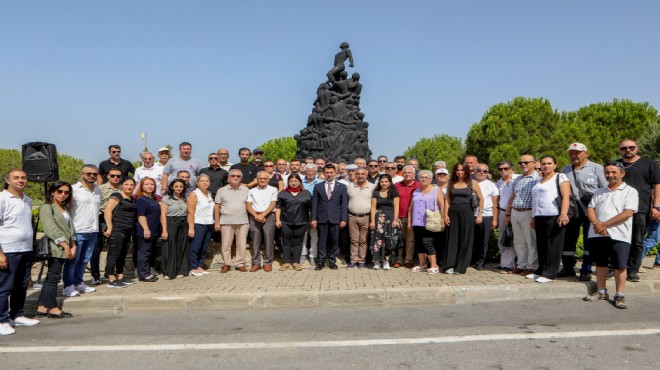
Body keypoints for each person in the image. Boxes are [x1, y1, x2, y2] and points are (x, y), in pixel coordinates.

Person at [584, 162, 638, 309]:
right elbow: (591, 209)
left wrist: (604, 225)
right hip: (597, 235)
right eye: (607, 172)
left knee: (620, 266)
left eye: (613, 172)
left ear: (622, 173)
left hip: (619, 235)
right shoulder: (599, 191)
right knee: (600, 264)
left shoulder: (630, 191)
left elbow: (628, 212)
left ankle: (619, 295)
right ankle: (601, 291)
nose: (610, 175)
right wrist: (597, 224)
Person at [0, 169, 40, 335]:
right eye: (16, 178)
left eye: (23, 177)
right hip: (8, 250)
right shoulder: (2, 198)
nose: (20, 180)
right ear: (8, 180)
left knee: (21, 286)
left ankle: (17, 315)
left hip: (25, 250)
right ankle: (2, 321)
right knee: (4, 288)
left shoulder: (28, 200)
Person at [560, 142, 607, 280]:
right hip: (572, 211)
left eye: (577, 152)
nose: (574, 155)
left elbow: (605, 190)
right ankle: (568, 267)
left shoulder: (597, 168)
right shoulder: (565, 170)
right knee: (568, 240)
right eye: (571, 153)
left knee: (589, 240)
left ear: (585, 153)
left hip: (591, 210)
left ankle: (586, 269)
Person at [615, 139, 660, 282]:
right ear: (620, 150)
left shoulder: (649, 163)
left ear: (636, 148)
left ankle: (633, 270)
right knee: (616, 238)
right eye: (624, 148)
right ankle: (616, 266)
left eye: (631, 147)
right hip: (618, 208)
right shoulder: (615, 164)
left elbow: (657, 185)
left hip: (641, 208)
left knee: (637, 240)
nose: (628, 150)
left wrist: (656, 206)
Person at [36, 182, 76, 318]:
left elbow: (71, 228)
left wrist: (73, 244)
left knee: (50, 277)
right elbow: (49, 227)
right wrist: (65, 245)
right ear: (52, 192)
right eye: (60, 191)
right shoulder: (47, 207)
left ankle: (42, 306)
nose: (63, 194)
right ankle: (52, 307)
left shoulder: (64, 208)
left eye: (66, 192)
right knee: (54, 277)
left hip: (66, 246)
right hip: (55, 247)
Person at [529, 156, 571, 283]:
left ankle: (550, 273)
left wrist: (563, 214)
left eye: (549, 163)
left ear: (555, 165)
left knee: (554, 245)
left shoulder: (560, 177)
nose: (546, 166)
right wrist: (533, 216)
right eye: (543, 164)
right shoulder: (540, 180)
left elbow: (566, 196)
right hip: (540, 215)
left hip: (554, 214)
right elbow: (536, 200)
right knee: (541, 244)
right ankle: (541, 270)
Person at [63, 164, 101, 297]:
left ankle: (78, 282)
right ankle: (68, 286)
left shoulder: (98, 190)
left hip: (93, 230)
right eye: (88, 173)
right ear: (82, 175)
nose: (92, 176)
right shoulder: (73, 190)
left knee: (85, 259)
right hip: (77, 230)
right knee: (73, 259)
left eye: (94, 174)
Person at [505, 155, 541, 275]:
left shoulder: (538, 179)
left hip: (528, 211)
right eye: (520, 162)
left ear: (534, 163)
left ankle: (532, 266)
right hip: (516, 211)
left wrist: (534, 216)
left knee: (530, 241)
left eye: (526, 162)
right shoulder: (518, 179)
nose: (523, 165)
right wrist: (508, 213)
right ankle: (521, 265)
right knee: (519, 241)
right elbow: (513, 196)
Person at [444, 164, 482, 274]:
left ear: (466, 171)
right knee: (452, 238)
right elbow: (447, 200)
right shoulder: (451, 183)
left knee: (465, 238)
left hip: (467, 212)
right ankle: (450, 265)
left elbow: (481, 199)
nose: (460, 172)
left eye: (462, 170)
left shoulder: (472, 183)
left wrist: (479, 214)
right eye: (458, 170)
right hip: (453, 212)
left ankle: (461, 267)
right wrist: (445, 215)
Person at [311, 164, 348, 270]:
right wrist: (313, 218)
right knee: (322, 240)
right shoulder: (318, 186)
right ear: (323, 173)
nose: (329, 174)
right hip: (321, 218)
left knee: (334, 241)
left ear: (335, 173)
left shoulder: (341, 187)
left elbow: (344, 204)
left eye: (331, 172)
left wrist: (344, 219)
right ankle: (321, 261)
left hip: (336, 218)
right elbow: (315, 204)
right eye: (327, 172)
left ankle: (332, 261)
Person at [103, 177, 137, 288]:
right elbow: (107, 211)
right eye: (126, 184)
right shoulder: (116, 196)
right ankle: (111, 279)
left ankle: (120, 276)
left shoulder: (132, 199)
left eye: (132, 185)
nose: (129, 187)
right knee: (114, 254)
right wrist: (109, 227)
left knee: (123, 254)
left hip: (127, 230)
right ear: (121, 185)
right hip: (117, 228)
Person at [408, 170, 445, 274]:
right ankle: (422, 264)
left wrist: (442, 218)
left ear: (430, 179)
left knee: (427, 242)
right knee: (419, 243)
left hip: (430, 221)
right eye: (421, 177)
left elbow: (442, 205)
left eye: (426, 177)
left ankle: (434, 265)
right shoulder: (416, 191)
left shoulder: (436, 190)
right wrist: (410, 220)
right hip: (417, 221)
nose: (423, 179)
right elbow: (411, 206)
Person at [90, 167, 122, 285]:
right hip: (101, 219)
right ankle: (95, 275)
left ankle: (109, 273)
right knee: (96, 249)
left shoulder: (122, 189)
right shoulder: (100, 189)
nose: (115, 178)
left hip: (116, 219)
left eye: (118, 176)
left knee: (113, 249)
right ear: (107, 176)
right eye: (113, 175)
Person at [214, 169, 250, 273]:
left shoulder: (246, 190)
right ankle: (226, 264)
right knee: (226, 244)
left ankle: (240, 264)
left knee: (242, 244)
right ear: (228, 178)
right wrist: (217, 222)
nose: (235, 177)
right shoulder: (221, 190)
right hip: (226, 221)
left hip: (243, 221)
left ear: (241, 178)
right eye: (233, 176)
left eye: (238, 176)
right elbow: (217, 207)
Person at [276, 174, 312, 271]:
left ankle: (296, 262)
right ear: (288, 182)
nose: (293, 183)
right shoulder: (283, 193)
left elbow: (310, 208)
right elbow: (278, 207)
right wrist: (277, 220)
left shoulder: (306, 193)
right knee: (286, 242)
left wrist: (311, 220)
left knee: (298, 242)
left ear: (299, 182)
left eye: (295, 181)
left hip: (302, 222)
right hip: (286, 222)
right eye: (291, 181)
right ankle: (286, 262)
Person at [247, 172, 278, 272]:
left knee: (269, 239)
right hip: (254, 216)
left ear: (268, 180)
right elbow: (248, 205)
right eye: (260, 178)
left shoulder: (273, 189)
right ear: (257, 179)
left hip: (269, 216)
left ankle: (267, 262)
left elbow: (273, 204)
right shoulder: (251, 191)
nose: (262, 180)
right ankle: (256, 263)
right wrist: (256, 216)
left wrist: (263, 215)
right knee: (255, 240)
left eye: (265, 178)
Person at [346, 168, 376, 268]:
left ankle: (362, 260)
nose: (360, 175)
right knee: (353, 240)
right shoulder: (350, 186)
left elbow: (374, 204)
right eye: (358, 174)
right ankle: (353, 260)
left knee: (363, 240)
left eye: (362, 174)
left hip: (366, 217)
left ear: (366, 175)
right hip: (352, 216)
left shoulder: (372, 187)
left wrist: (373, 219)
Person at [471, 164, 499, 271]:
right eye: (479, 170)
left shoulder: (492, 185)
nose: (481, 172)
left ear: (487, 173)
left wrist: (495, 219)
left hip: (486, 215)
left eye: (484, 171)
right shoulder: (469, 183)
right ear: (474, 172)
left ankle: (481, 262)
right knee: (471, 240)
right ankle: (471, 260)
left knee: (484, 240)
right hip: (470, 215)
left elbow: (495, 203)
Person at [160, 179, 189, 279]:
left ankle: (180, 270)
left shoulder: (185, 198)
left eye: (181, 186)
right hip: (171, 223)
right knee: (170, 247)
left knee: (181, 246)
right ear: (172, 187)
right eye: (176, 186)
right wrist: (164, 230)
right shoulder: (166, 198)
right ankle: (168, 272)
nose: (179, 188)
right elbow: (163, 215)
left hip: (183, 223)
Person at [370, 174, 400, 270]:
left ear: (390, 182)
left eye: (386, 181)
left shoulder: (394, 193)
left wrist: (395, 219)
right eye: (382, 181)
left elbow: (396, 207)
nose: (384, 183)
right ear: (379, 182)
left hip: (390, 219)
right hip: (378, 219)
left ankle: (386, 261)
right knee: (377, 240)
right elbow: (373, 208)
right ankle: (377, 261)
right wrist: (372, 221)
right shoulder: (376, 193)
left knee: (388, 240)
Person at [187, 174, 214, 276]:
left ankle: (199, 265)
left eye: (206, 181)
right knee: (195, 247)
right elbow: (190, 212)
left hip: (209, 223)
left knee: (204, 247)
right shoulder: (194, 194)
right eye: (202, 181)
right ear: (197, 183)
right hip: (198, 224)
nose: (204, 182)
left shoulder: (209, 193)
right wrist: (191, 227)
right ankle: (192, 267)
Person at [135, 178, 161, 282]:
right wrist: (146, 229)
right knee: (144, 252)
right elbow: (141, 216)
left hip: (154, 230)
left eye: (152, 184)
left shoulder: (153, 198)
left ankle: (146, 271)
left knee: (149, 252)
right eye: (146, 184)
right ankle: (143, 274)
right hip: (145, 231)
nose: (149, 186)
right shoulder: (141, 199)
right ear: (142, 186)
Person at [394, 165, 420, 268]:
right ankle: (399, 259)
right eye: (405, 173)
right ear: (402, 174)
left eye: (409, 173)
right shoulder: (397, 185)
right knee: (399, 239)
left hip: (413, 217)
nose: (407, 174)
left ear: (414, 175)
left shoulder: (418, 185)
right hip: (399, 216)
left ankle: (408, 259)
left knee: (410, 240)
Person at [495, 161, 519, 274]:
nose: (503, 171)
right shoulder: (499, 183)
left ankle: (508, 265)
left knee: (513, 239)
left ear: (511, 168)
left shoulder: (518, 179)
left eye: (505, 168)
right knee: (503, 239)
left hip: (515, 212)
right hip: (502, 212)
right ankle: (505, 263)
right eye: (500, 169)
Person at [301, 164, 321, 265]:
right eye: (308, 171)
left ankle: (313, 255)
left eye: (312, 171)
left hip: (316, 213)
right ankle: (303, 254)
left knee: (314, 234)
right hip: (302, 212)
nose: (310, 173)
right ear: (305, 171)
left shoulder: (321, 182)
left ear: (315, 172)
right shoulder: (300, 182)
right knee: (303, 234)